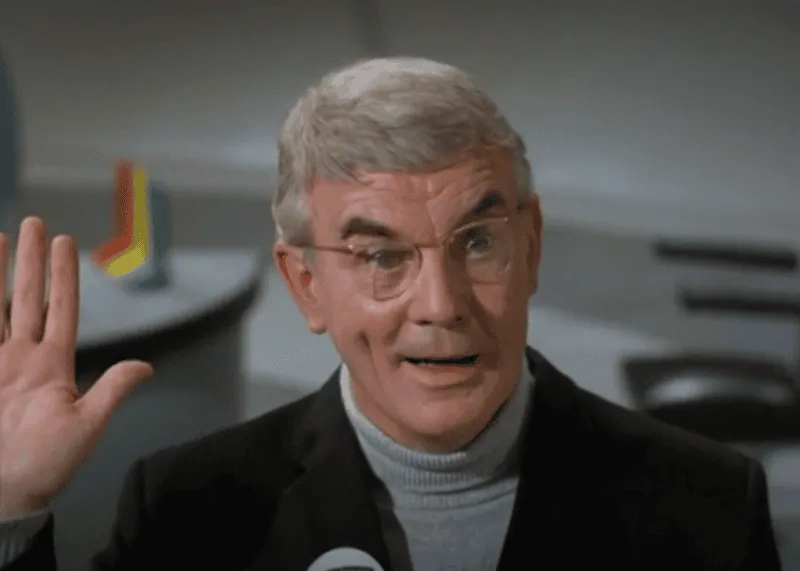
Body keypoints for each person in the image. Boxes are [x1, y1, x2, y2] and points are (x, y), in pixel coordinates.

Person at [0, 57, 782, 571]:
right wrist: (10, 510)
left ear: (532, 245)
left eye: (478, 242)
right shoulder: (189, 511)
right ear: (306, 284)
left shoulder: (707, 508)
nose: (440, 305)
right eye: (381, 257)